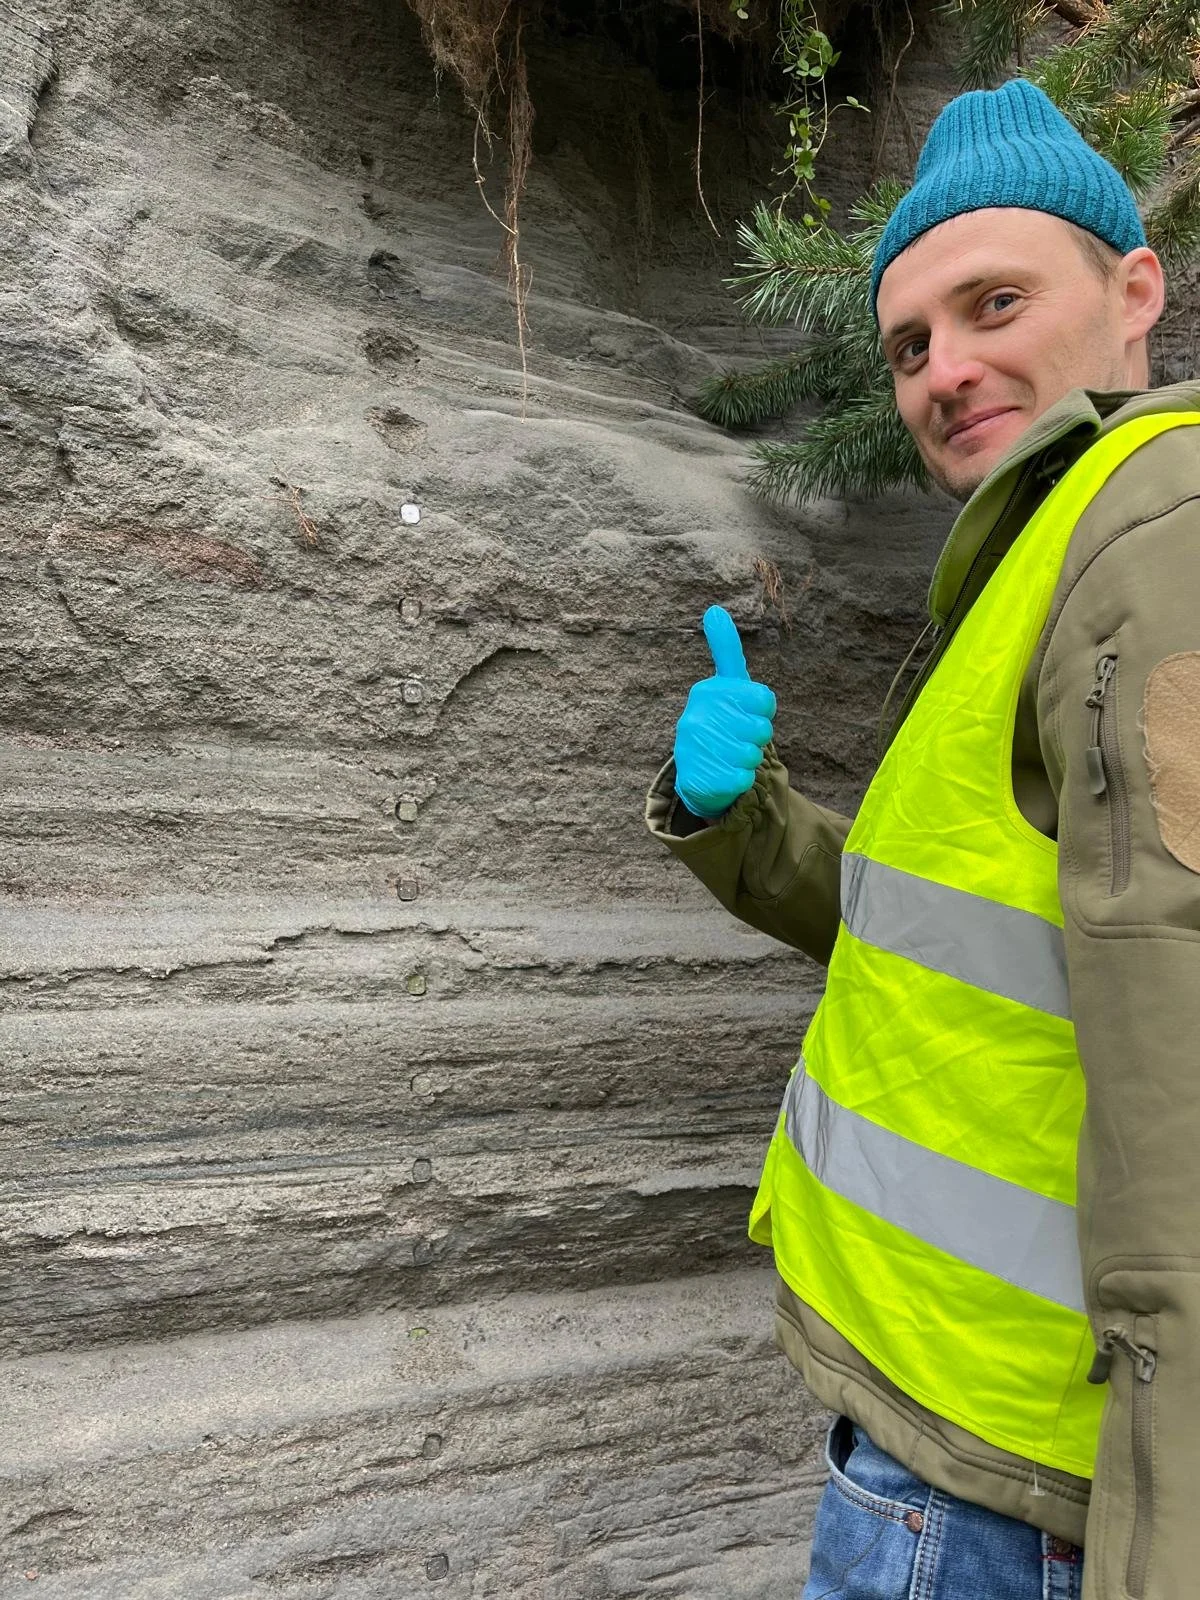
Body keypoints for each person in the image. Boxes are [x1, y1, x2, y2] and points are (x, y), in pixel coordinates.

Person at [646, 78, 1200, 1600]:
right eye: (909, 344)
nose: (944, 372)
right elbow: (945, 940)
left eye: (995, 302)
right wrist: (734, 816)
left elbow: (1183, 1049)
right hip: (940, 1439)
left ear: (1134, 289)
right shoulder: (1042, 546)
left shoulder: (1159, 532)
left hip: (1009, 1498)